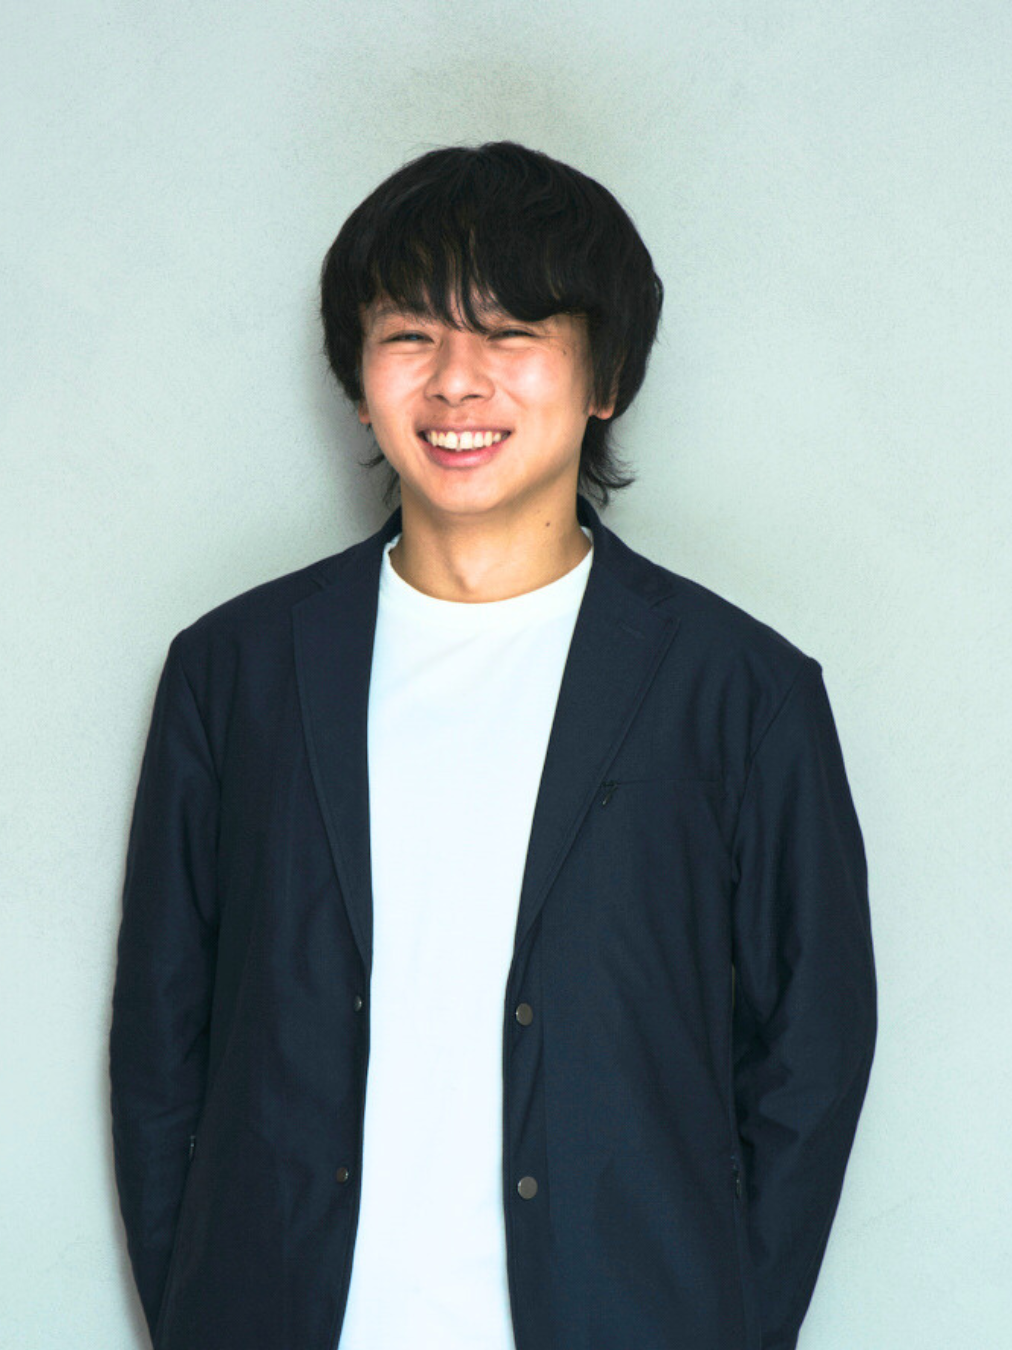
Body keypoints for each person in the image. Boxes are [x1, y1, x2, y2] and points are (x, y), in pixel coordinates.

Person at [109, 140, 877, 1350]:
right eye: (410, 334)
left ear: (604, 376)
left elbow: (816, 1052)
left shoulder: (740, 692)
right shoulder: (234, 673)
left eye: (513, 333)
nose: (456, 382)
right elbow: (160, 1046)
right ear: (359, 377)